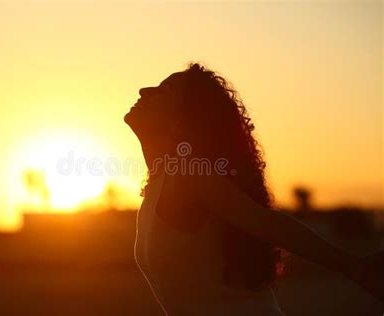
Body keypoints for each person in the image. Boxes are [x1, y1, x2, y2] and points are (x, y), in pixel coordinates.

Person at [124, 62, 383, 315]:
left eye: (163, 90)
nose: (144, 90)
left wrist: (355, 268)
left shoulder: (189, 174)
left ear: (183, 118)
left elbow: (267, 222)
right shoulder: (162, 178)